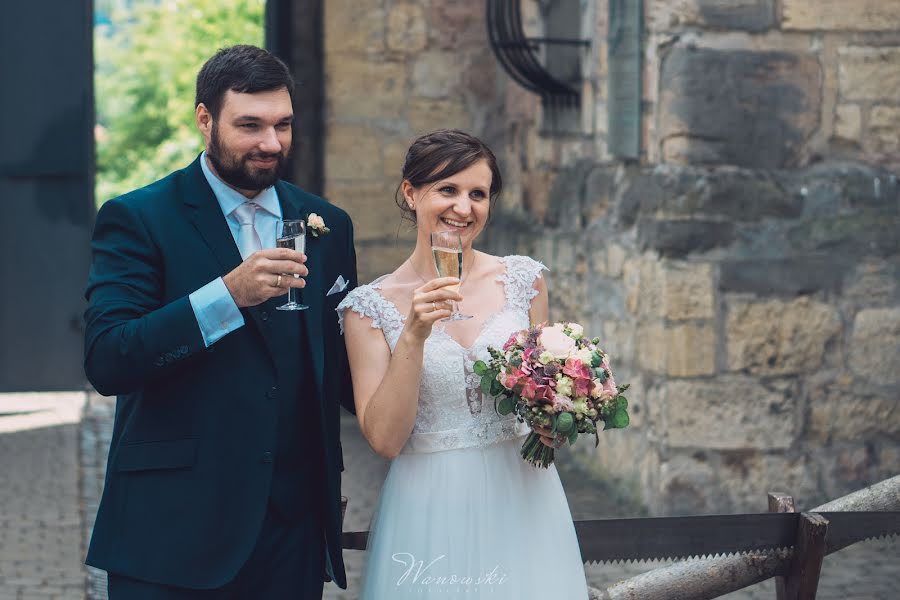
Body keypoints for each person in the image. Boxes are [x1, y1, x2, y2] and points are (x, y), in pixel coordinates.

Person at [83, 45, 356, 598]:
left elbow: (342, 369)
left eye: (282, 125)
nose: (270, 144)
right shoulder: (137, 217)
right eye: (250, 125)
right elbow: (109, 359)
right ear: (204, 119)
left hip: (290, 531)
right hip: (172, 529)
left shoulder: (327, 224)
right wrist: (227, 295)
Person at [337, 129, 588, 598]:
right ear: (411, 194)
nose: (464, 207)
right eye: (447, 190)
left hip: (525, 496)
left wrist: (554, 422)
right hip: (430, 503)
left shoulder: (523, 281)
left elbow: (540, 392)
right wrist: (413, 333)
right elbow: (386, 440)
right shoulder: (369, 309)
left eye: (478, 194)